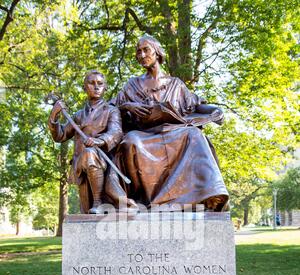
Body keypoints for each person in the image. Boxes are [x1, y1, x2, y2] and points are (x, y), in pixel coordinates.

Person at [115, 35, 229, 211]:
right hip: (145, 134)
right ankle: (142, 199)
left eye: (146, 50)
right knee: (130, 141)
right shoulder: (132, 85)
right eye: (138, 51)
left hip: (173, 131)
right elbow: (111, 109)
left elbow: (197, 104)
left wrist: (216, 111)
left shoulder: (175, 84)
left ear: (157, 52)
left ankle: (210, 194)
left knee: (195, 135)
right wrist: (128, 106)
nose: (142, 54)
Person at [49, 70, 130, 214]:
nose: (96, 87)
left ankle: (98, 202)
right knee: (87, 154)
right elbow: (60, 136)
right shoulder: (78, 115)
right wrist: (54, 116)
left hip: (105, 159)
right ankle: (95, 203)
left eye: (100, 84)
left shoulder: (111, 111)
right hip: (82, 164)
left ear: (105, 88)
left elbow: (116, 132)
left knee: (90, 153)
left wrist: (99, 141)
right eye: (92, 83)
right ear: (84, 87)